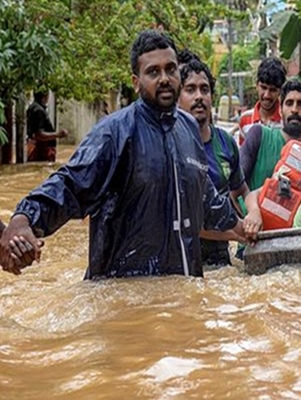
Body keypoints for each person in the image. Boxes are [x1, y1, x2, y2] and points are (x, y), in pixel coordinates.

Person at [0, 30, 244, 278]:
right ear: (136, 82)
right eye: (153, 72)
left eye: (170, 70)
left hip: (183, 294)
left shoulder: (189, 128)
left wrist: (241, 228)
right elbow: (70, 185)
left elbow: (204, 195)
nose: (164, 79)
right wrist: (24, 219)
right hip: (124, 294)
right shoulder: (115, 133)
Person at [177, 55, 251, 267]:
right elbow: (183, 221)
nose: (199, 96)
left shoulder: (225, 142)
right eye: (190, 90)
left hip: (220, 257)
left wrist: (253, 214)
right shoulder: (169, 147)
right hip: (184, 258)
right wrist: (237, 233)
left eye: (205, 89)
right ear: (177, 97)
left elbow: (242, 190)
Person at [240, 79, 301, 192]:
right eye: (289, 103)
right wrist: (252, 208)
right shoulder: (259, 135)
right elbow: (236, 186)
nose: (294, 110)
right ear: (280, 110)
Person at [238, 57, 287, 145]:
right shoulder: (245, 119)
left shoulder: (286, 121)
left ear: (280, 90)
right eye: (263, 88)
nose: (266, 95)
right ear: (257, 85)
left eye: (273, 90)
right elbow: (243, 156)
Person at [26, 91, 68, 162]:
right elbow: (39, 135)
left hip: (36, 148)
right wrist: (59, 134)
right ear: (46, 96)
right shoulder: (39, 110)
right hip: (41, 150)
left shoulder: (32, 107)